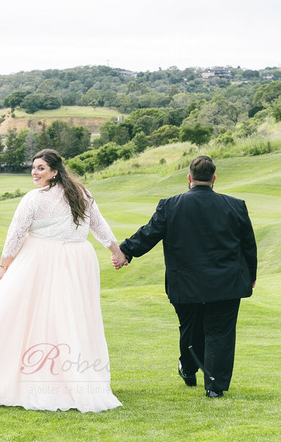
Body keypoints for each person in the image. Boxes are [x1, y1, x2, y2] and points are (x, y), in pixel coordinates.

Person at [0, 149, 122, 413]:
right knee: (66, 317)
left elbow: (16, 234)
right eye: (33, 167)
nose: (35, 172)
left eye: (40, 168)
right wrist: (115, 252)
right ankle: (64, 378)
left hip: (42, 259)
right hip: (77, 260)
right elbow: (98, 226)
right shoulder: (81, 193)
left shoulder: (38, 198)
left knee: (28, 315)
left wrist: (3, 267)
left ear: (54, 171)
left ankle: (37, 378)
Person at [112, 156, 257, 398]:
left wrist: (125, 251)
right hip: (226, 283)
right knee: (220, 333)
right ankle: (214, 388)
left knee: (191, 330)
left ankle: (189, 370)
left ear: (189, 178)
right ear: (214, 178)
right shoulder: (236, 205)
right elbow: (248, 246)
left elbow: (148, 234)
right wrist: (250, 275)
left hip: (186, 283)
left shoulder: (170, 205)